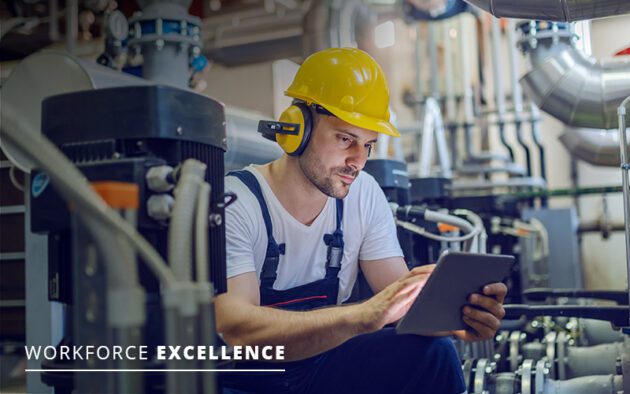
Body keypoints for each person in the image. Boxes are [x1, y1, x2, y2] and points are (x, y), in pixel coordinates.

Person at [215, 47, 507, 394]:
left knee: (434, 353)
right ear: (296, 128)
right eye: (345, 139)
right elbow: (237, 329)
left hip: (324, 364)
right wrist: (362, 316)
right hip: (250, 381)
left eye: (368, 145)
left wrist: (454, 319)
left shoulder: (363, 193)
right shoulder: (236, 201)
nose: (358, 161)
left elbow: (399, 304)